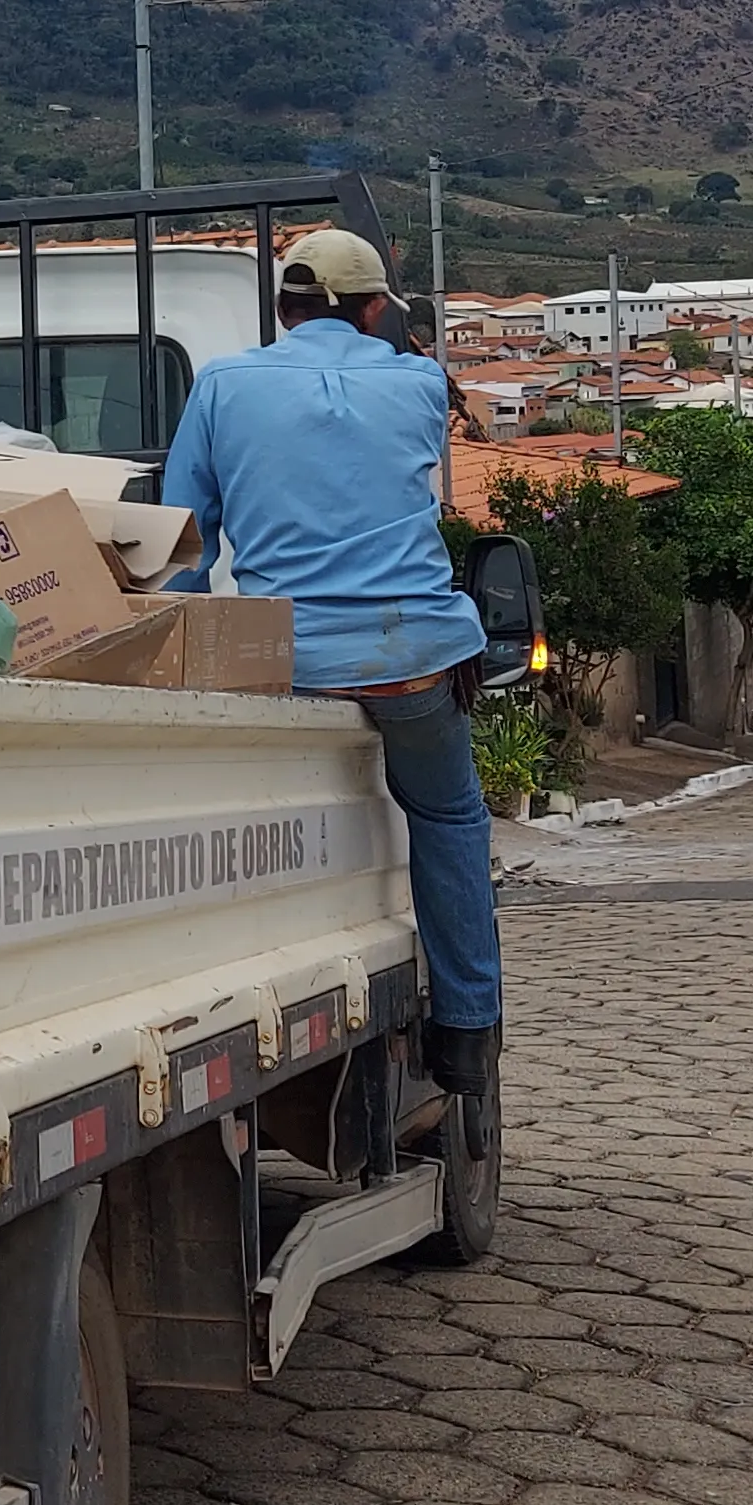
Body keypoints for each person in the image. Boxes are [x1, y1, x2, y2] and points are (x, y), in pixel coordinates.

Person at [157, 228, 500, 1103]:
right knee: (449, 815)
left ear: (281, 307)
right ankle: (466, 1029)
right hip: (412, 656)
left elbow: (184, 543)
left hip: (291, 660)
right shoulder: (420, 381)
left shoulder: (223, 383)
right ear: (375, 307)